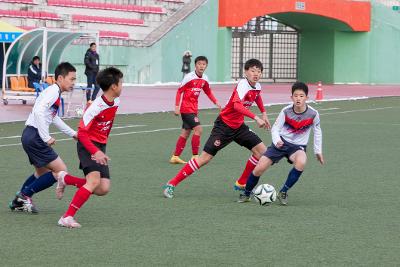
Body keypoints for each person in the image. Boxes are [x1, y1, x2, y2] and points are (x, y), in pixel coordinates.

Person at [163, 59, 271, 198]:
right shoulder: (243, 85)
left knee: (261, 152)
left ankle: (241, 182)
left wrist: (264, 113)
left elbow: (257, 96)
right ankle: (171, 183)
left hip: (239, 127)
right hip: (224, 126)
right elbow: (237, 105)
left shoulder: (257, 86)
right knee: (204, 158)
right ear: (245, 72)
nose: (256, 74)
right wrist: (256, 118)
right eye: (252, 70)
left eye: (259, 71)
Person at [57, 67, 123, 228]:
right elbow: (82, 134)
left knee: (103, 188)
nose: (122, 86)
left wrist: (101, 148)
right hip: (88, 145)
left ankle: (65, 178)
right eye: (121, 83)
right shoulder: (95, 107)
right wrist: (95, 151)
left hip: (100, 146)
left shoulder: (116, 101)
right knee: (93, 182)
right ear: (113, 86)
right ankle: (67, 217)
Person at [238, 82, 324, 205]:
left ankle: (283, 192)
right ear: (291, 97)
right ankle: (246, 194)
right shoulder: (286, 111)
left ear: (306, 98)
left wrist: (318, 151)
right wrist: (277, 141)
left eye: (301, 96)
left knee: (302, 161)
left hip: (297, 147)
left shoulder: (314, 114)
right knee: (259, 168)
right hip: (280, 143)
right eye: (295, 96)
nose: (298, 98)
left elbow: (317, 132)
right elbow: (275, 129)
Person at [9, 62, 78, 213]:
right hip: (35, 136)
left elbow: (53, 118)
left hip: (29, 134)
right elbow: (39, 112)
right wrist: (46, 137)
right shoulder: (53, 91)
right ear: (60, 78)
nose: (74, 83)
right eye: (72, 79)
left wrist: (72, 133)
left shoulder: (54, 91)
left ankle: (18, 201)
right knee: (60, 170)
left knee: (41, 173)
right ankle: (25, 195)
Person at [170, 56, 221, 164]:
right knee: (199, 129)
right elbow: (179, 91)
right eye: (199, 64)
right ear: (195, 65)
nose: (201, 66)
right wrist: (176, 107)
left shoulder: (205, 78)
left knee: (185, 133)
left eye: (203, 64)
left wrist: (216, 102)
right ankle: (195, 156)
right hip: (186, 109)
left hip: (193, 109)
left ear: (206, 66)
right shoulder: (189, 77)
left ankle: (175, 156)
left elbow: (208, 91)